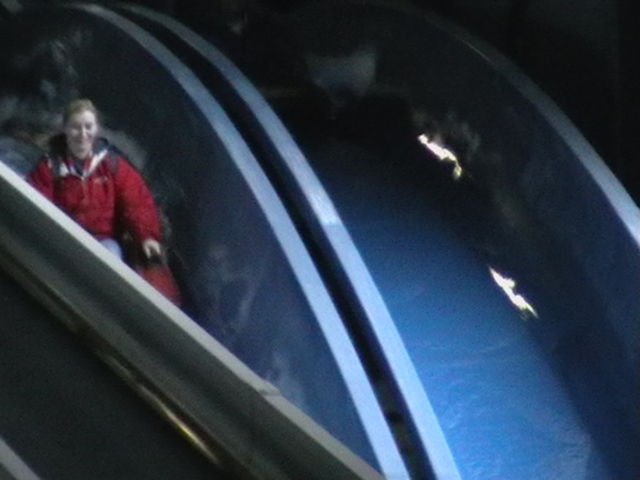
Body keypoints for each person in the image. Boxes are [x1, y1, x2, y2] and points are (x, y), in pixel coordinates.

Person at [27, 98, 163, 261]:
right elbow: (36, 204)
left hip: (102, 242)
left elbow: (136, 202)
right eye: (75, 127)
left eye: (88, 127)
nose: (82, 134)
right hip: (63, 238)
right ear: (65, 129)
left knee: (112, 255)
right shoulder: (50, 166)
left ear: (96, 129)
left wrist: (147, 236)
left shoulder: (113, 165)